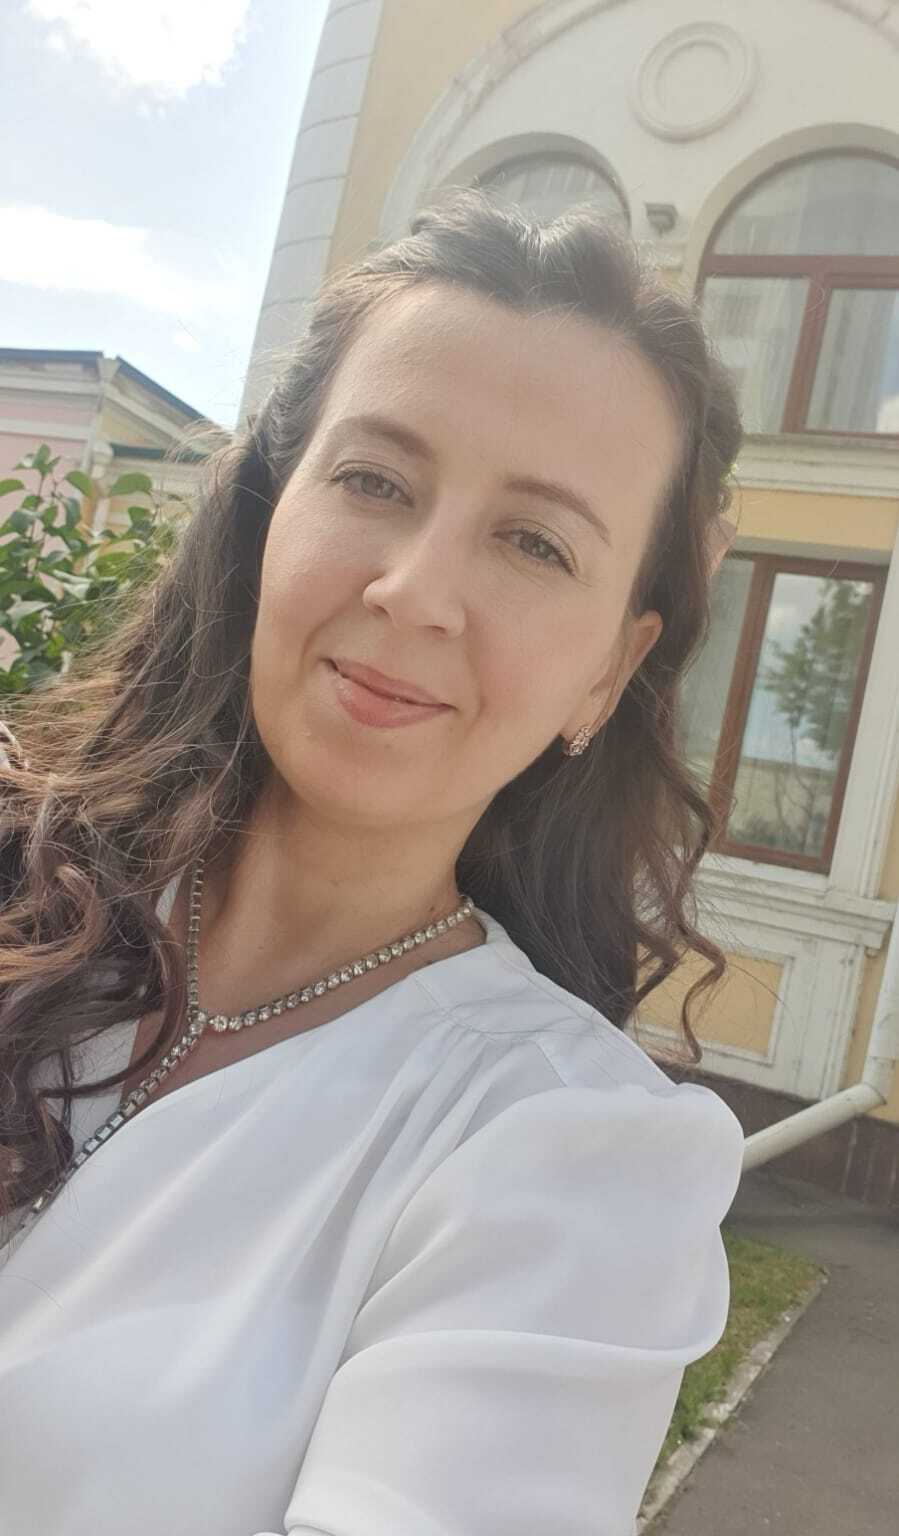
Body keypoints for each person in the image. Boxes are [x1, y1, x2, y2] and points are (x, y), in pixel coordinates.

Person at [0, 189, 743, 1535]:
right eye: (376, 481)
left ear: (609, 670)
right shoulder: (21, 879)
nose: (414, 588)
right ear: (269, 516)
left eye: (536, 542)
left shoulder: (565, 1153)